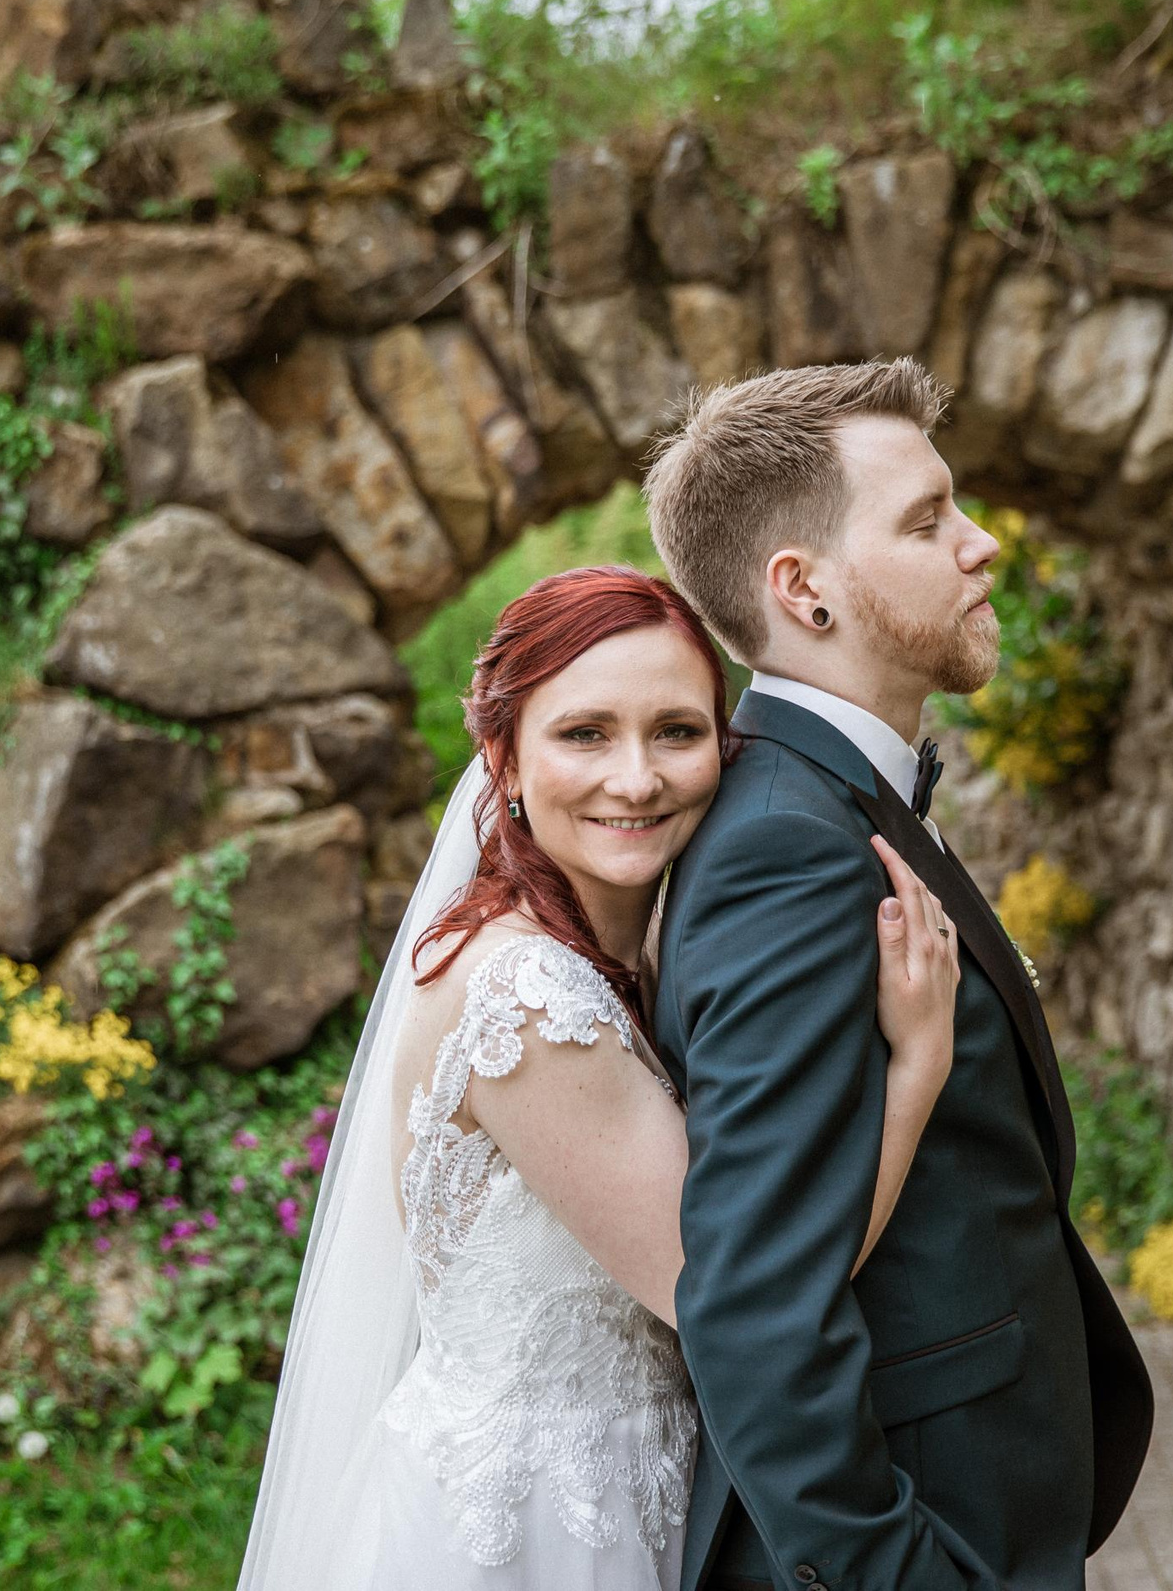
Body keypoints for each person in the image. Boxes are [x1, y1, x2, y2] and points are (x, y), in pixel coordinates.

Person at [239, 564, 965, 1590]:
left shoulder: (621, 957)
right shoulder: (531, 998)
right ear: (506, 760)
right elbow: (731, 1289)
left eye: (675, 731)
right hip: (532, 1526)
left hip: (627, 1495)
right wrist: (917, 1067)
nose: (636, 779)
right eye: (585, 735)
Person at [641, 358, 1152, 1591]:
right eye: (926, 521)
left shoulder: (834, 800)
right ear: (803, 589)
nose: (980, 546)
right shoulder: (785, 851)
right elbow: (757, 1302)